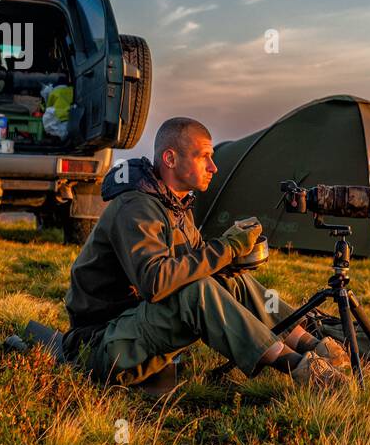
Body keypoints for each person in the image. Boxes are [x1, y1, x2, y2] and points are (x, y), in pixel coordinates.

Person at [62, 116, 349, 392]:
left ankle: (312, 345)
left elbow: (201, 261)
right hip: (100, 345)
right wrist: (227, 247)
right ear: (170, 159)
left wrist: (233, 257)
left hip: (132, 327)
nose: (213, 167)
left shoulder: (173, 204)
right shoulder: (135, 208)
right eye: (204, 157)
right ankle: (300, 369)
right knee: (195, 290)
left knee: (230, 279)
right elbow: (155, 282)